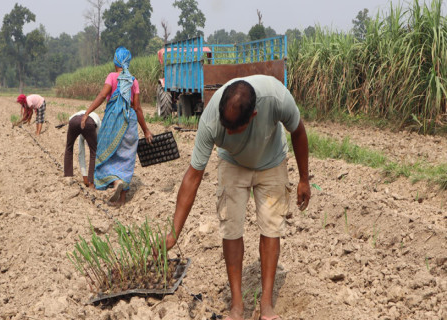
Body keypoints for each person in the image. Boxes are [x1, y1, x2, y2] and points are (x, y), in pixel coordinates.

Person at [164, 75, 311, 320]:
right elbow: (192, 177)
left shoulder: (276, 98)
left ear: (253, 115)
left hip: (271, 161)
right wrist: (173, 232)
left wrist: (304, 179)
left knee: (271, 228)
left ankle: (266, 306)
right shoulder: (211, 120)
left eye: (234, 128)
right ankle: (237, 306)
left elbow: (298, 131)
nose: (228, 132)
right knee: (231, 228)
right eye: (226, 125)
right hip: (232, 163)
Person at [81, 46, 153, 206]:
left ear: (116, 62)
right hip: (130, 124)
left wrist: (87, 112)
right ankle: (122, 199)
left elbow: (101, 96)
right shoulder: (134, 81)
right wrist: (146, 130)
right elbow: (138, 107)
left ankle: (114, 182)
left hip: (113, 123)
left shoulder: (112, 77)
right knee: (127, 159)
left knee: (104, 153)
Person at [64, 110, 101, 187]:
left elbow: (81, 152)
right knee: (94, 152)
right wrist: (86, 178)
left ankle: (68, 177)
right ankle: (91, 182)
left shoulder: (84, 133)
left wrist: (84, 177)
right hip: (88, 122)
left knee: (69, 147)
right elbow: (96, 148)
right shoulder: (99, 129)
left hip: (73, 121)